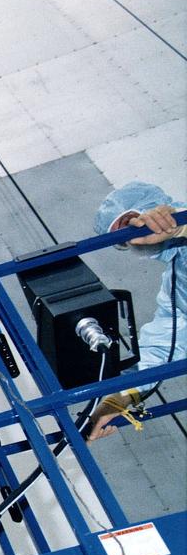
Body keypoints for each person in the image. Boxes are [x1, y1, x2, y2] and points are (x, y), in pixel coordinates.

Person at [88, 182, 185, 440]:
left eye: (133, 222)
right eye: (123, 240)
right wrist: (112, 404)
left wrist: (181, 225)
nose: (134, 237)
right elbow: (161, 349)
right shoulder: (179, 285)